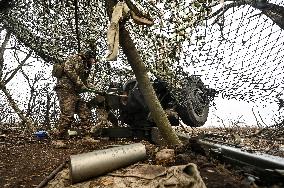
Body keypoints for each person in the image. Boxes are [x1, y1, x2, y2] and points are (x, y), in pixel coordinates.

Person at [53, 50, 97, 139]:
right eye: (93, 59)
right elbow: (68, 69)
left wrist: (96, 89)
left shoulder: (84, 66)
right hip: (65, 89)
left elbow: (84, 82)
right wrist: (80, 84)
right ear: (88, 56)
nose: (93, 62)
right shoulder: (74, 58)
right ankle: (59, 138)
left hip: (74, 91)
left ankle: (87, 137)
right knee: (68, 114)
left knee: (85, 112)